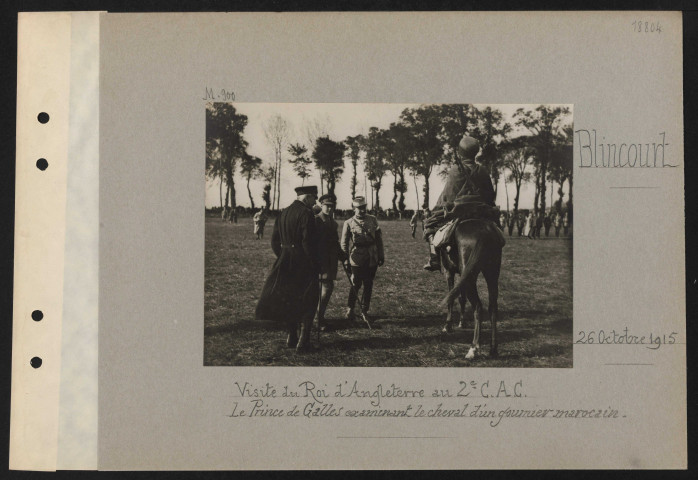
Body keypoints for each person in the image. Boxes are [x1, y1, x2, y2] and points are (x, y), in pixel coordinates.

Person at [255, 185, 320, 352]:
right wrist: (314, 264)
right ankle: (303, 342)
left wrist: (283, 255)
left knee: (289, 298)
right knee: (309, 299)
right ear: (306, 197)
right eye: (314, 197)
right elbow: (308, 243)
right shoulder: (307, 214)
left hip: (284, 260)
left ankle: (291, 336)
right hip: (303, 262)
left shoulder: (283, 212)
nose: (315, 201)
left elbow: (274, 241)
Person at [422, 135, 497, 271]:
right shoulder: (483, 170)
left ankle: (434, 258)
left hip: (458, 211)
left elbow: (447, 196)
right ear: (475, 152)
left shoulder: (455, 169)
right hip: (480, 212)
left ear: (460, 152)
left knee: (429, 225)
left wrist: (436, 210)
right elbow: (490, 196)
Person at [341, 196, 385, 322]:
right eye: (359, 208)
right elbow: (344, 244)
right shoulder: (348, 223)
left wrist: (381, 255)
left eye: (364, 207)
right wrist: (345, 260)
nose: (362, 210)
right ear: (354, 209)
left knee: (368, 284)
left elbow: (378, 239)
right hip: (357, 257)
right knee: (355, 283)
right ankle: (350, 309)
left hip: (372, 256)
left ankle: (365, 311)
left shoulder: (373, 219)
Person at [314, 194, 347, 331]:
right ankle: (317, 319)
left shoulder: (333, 223)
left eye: (332, 206)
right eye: (327, 206)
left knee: (325, 289)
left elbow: (335, 243)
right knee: (325, 289)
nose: (329, 208)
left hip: (330, 262)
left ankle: (318, 318)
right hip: (319, 262)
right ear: (321, 205)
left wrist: (343, 256)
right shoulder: (315, 221)